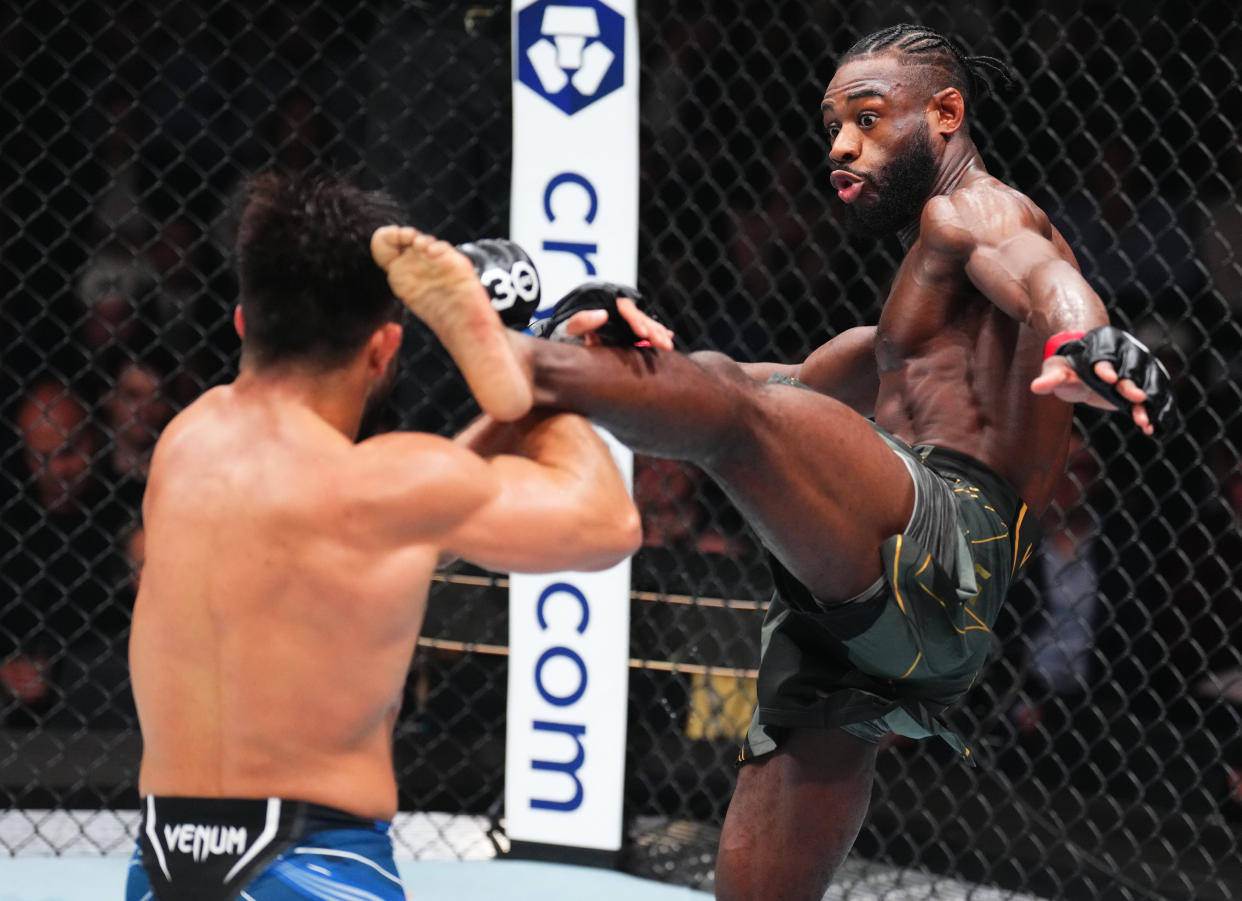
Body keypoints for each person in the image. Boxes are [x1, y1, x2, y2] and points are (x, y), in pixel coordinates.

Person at [501, 24, 1174, 899]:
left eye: (866, 118)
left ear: (944, 113)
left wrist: (1087, 338)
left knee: (729, 416)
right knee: (780, 804)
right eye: (831, 125)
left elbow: (1037, 266)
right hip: (900, 600)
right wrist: (621, 347)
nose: (841, 146)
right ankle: (546, 354)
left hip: (946, 539)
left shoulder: (972, 209)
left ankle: (514, 356)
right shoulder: (910, 326)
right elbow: (773, 381)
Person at [125, 173, 641, 901]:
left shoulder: (187, 443)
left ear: (244, 322)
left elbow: (391, 529)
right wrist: (531, 356)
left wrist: (511, 378)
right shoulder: (389, 484)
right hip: (315, 866)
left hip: (162, 863)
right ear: (385, 348)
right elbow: (606, 524)